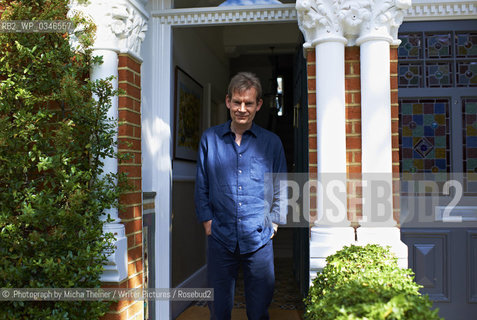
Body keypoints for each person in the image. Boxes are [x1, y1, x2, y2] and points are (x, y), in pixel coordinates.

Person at [194, 72, 287, 320]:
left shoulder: (272, 143)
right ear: (228, 102)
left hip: (259, 238)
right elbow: (202, 184)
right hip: (220, 237)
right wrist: (207, 222)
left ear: (258, 105)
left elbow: (282, 185)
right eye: (237, 102)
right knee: (219, 310)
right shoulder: (209, 140)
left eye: (248, 103)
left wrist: (275, 223)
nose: (242, 109)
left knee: (258, 311)